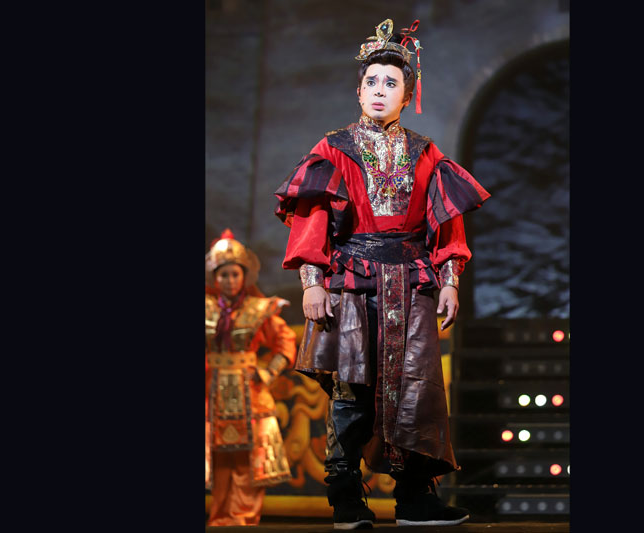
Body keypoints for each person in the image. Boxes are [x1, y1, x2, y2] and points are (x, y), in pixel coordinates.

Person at [275, 18, 490, 529]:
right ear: (358, 91)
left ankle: (415, 498)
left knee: (418, 388)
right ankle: (346, 497)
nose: (379, 89)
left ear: (406, 95)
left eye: (391, 82)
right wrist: (311, 283)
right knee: (352, 388)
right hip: (352, 279)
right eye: (371, 81)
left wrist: (451, 280)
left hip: (412, 281)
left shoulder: (425, 152)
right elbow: (313, 218)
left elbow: (446, 222)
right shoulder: (334, 148)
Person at [205, 228, 297, 526]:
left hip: (251, 393)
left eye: (235, 274)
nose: (229, 280)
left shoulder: (260, 308)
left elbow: (285, 341)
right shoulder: (206, 308)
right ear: (215, 278)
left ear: (244, 276)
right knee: (219, 459)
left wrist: (268, 372)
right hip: (212, 392)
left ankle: (243, 519)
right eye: (223, 275)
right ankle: (220, 518)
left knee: (249, 460)